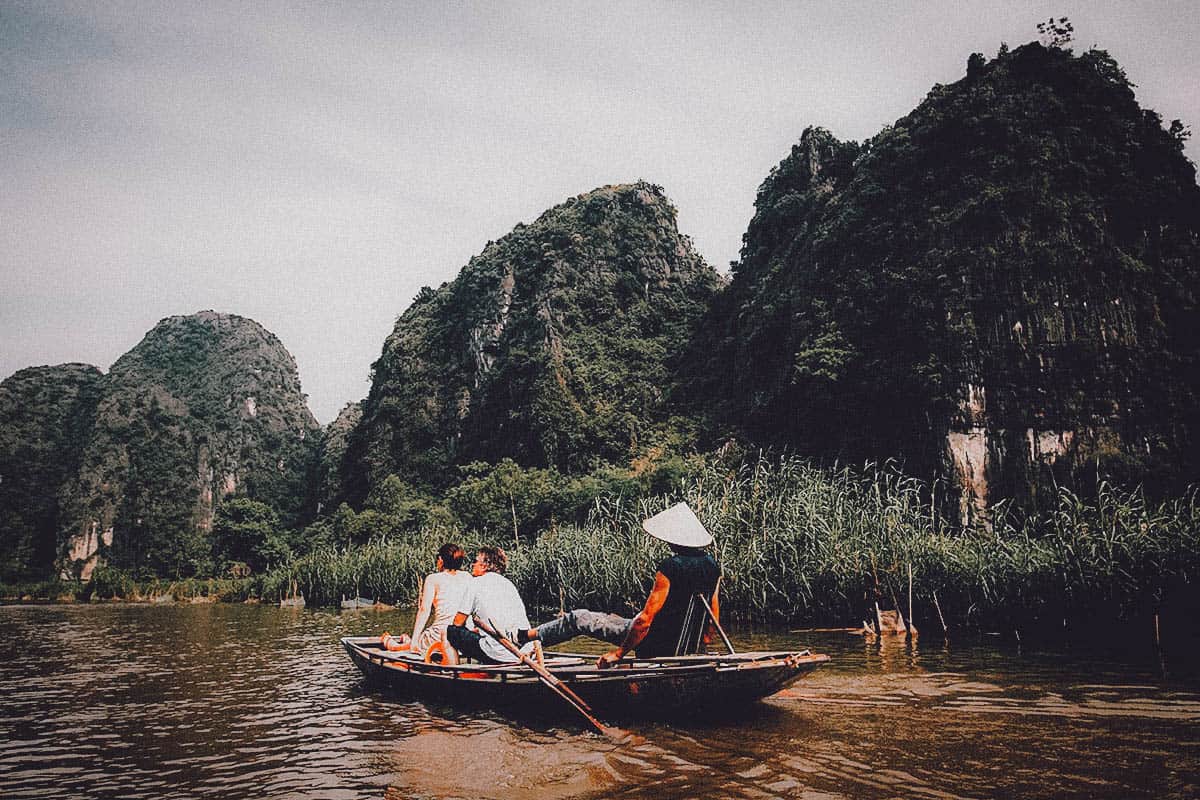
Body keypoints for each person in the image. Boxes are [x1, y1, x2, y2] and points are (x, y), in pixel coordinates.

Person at [518, 502, 720, 668]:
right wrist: (700, 645)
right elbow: (713, 615)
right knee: (614, 619)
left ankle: (525, 637)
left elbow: (645, 620)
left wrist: (619, 654)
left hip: (654, 642)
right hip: (683, 643)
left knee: (579, 618)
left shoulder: (670, 567)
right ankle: (527, 636)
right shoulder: (712, 566)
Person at [445, 546, 536, 664]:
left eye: (476, 561)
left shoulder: (475, 583)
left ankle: (454, 672)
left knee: (451, 631)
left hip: (498, 654)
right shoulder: (508, 584)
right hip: (526, 652)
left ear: (484, 566)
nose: (473, 564)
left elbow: (457, 623)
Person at [408, 542, 471, 653]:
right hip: (464, 636)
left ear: (441, 560)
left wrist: (414, 641)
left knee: (413, 644)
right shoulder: (467, 577)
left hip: (440, 635)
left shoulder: (433, 579)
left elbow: (424, 610)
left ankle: (393, 643)